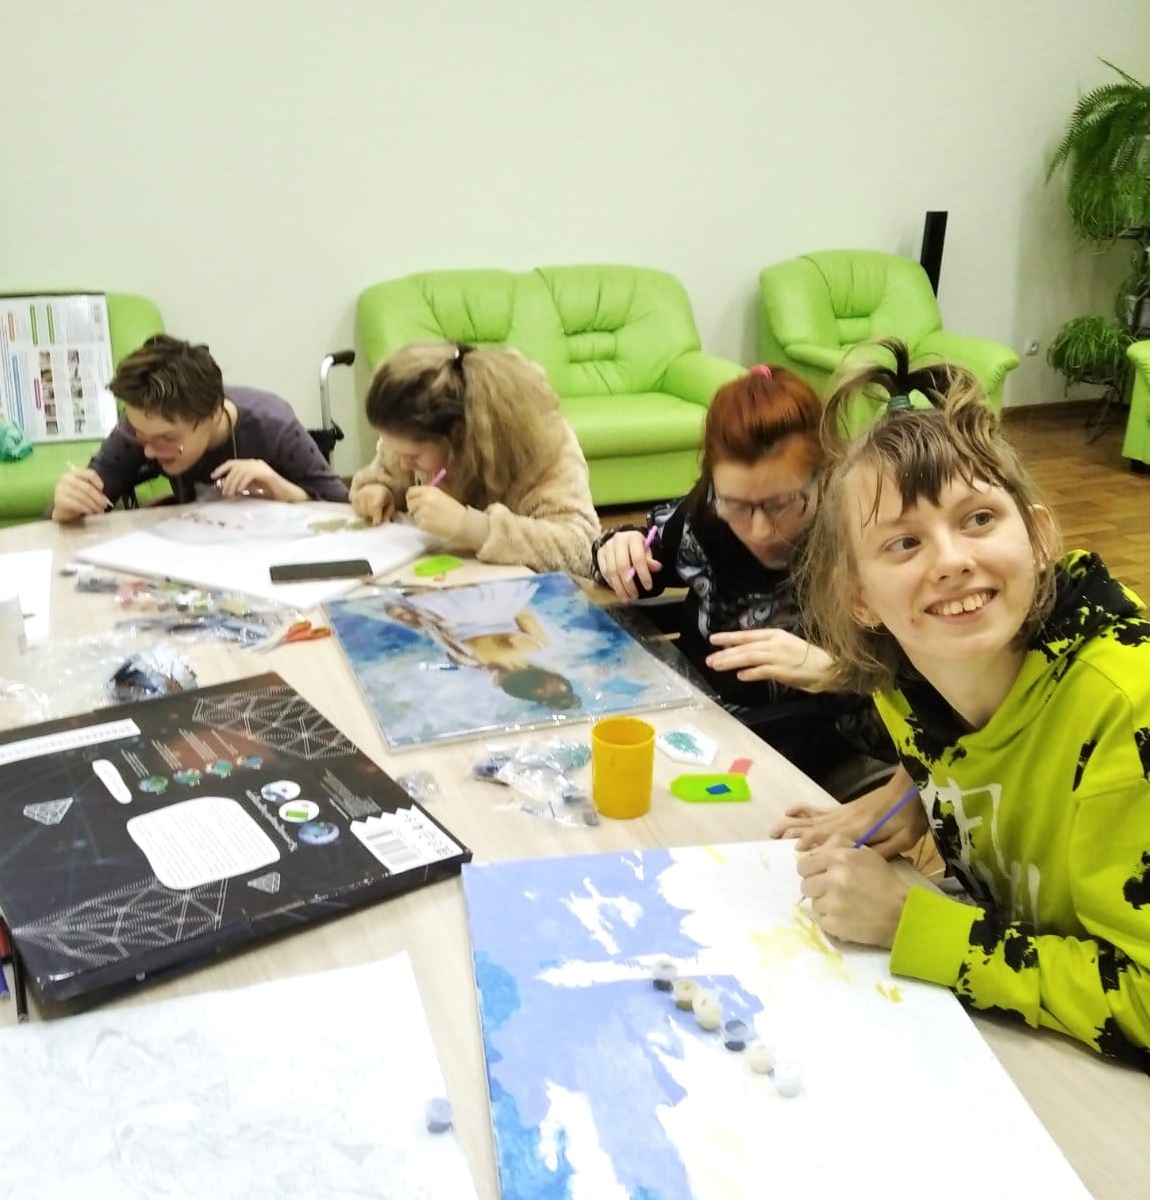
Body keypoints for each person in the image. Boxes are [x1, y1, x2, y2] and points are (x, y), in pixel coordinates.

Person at [781, 340, 1150, 1066]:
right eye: (903, 542)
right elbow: (987, 754)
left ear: (1038, 538)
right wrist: (912, 793)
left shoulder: (1128, 710)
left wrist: (910, 923)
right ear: (861, 600)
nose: (951, 560)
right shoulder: (910, 685)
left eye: (978, 519)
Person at [592, 364, 886, 786]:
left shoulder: (865, 534)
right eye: (736, 504)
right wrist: (616, 547)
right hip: (700, 744)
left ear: (825, 474)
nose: (759, 530)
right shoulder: (704, 516)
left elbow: (925, 697)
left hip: (824, 760)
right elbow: (632, 562)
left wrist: (838, 673)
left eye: (781, 504)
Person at [349, 342, 600, 577]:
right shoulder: (411, 436)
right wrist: (377, 489)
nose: (403, 464)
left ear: (460, 435)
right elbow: (384, 473)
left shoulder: (541, 444)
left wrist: (474, 528)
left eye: (413, 456)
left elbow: (581, 547)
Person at [51, 335, 348, 522]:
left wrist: (282, 489)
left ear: (214, 414)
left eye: (167, 438)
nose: (149, 451)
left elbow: (344, 510)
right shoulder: (141, 428)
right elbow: (89, 503)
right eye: (139, 434)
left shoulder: (273, 427)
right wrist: (65, 508)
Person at [383, 581, 580, 709]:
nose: (542, 691)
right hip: (484, 606)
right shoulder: (537, 646)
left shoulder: (471, 663)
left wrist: (415, 618)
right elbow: (522, 613)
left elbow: (439, 636)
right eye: (553, 690)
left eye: (543, 695)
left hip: (449, 617)